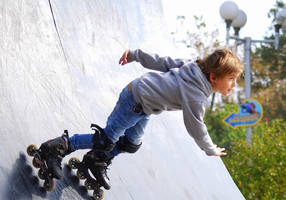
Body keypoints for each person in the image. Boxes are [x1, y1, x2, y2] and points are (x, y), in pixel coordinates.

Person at [39, 48, 243, 190]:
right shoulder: (196, 95)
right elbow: (196, 126)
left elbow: (163, 62)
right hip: (134, 100)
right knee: (106, 140)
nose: (234, 85)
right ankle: (59, 146)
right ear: (214, 77)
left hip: (144, 107)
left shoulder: (194, 67)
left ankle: (97, 160)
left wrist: (136, 54)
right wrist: (210, 149)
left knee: (131, 144)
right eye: (231, 79)